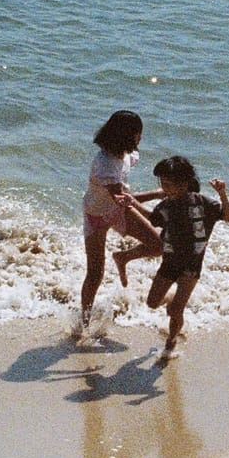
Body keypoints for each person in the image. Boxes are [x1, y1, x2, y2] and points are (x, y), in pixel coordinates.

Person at [116, 155, 229, 359]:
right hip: (170, 263)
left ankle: (171, 341)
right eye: (162, 184)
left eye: (168, 185)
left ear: (185, 183)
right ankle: (171, 299)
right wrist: (131, 204)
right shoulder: (167, 206)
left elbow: (227, 216)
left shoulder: (204, 203)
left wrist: (222, 194)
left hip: (192, 266)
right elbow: (152, 218)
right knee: (152, 303)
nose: (164, 189)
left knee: (175, 312)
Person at [79, 111, 161, 324]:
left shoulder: (126, 155)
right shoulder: (105, 163)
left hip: (117, 210)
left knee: (158, 245)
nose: (140, 138)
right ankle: (84, 320)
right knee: (95, 273)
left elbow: (124, 199)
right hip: (96, 215)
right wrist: (158, 194)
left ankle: (123, 257)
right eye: (138, 134)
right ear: (126, 135)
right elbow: (126, 199)